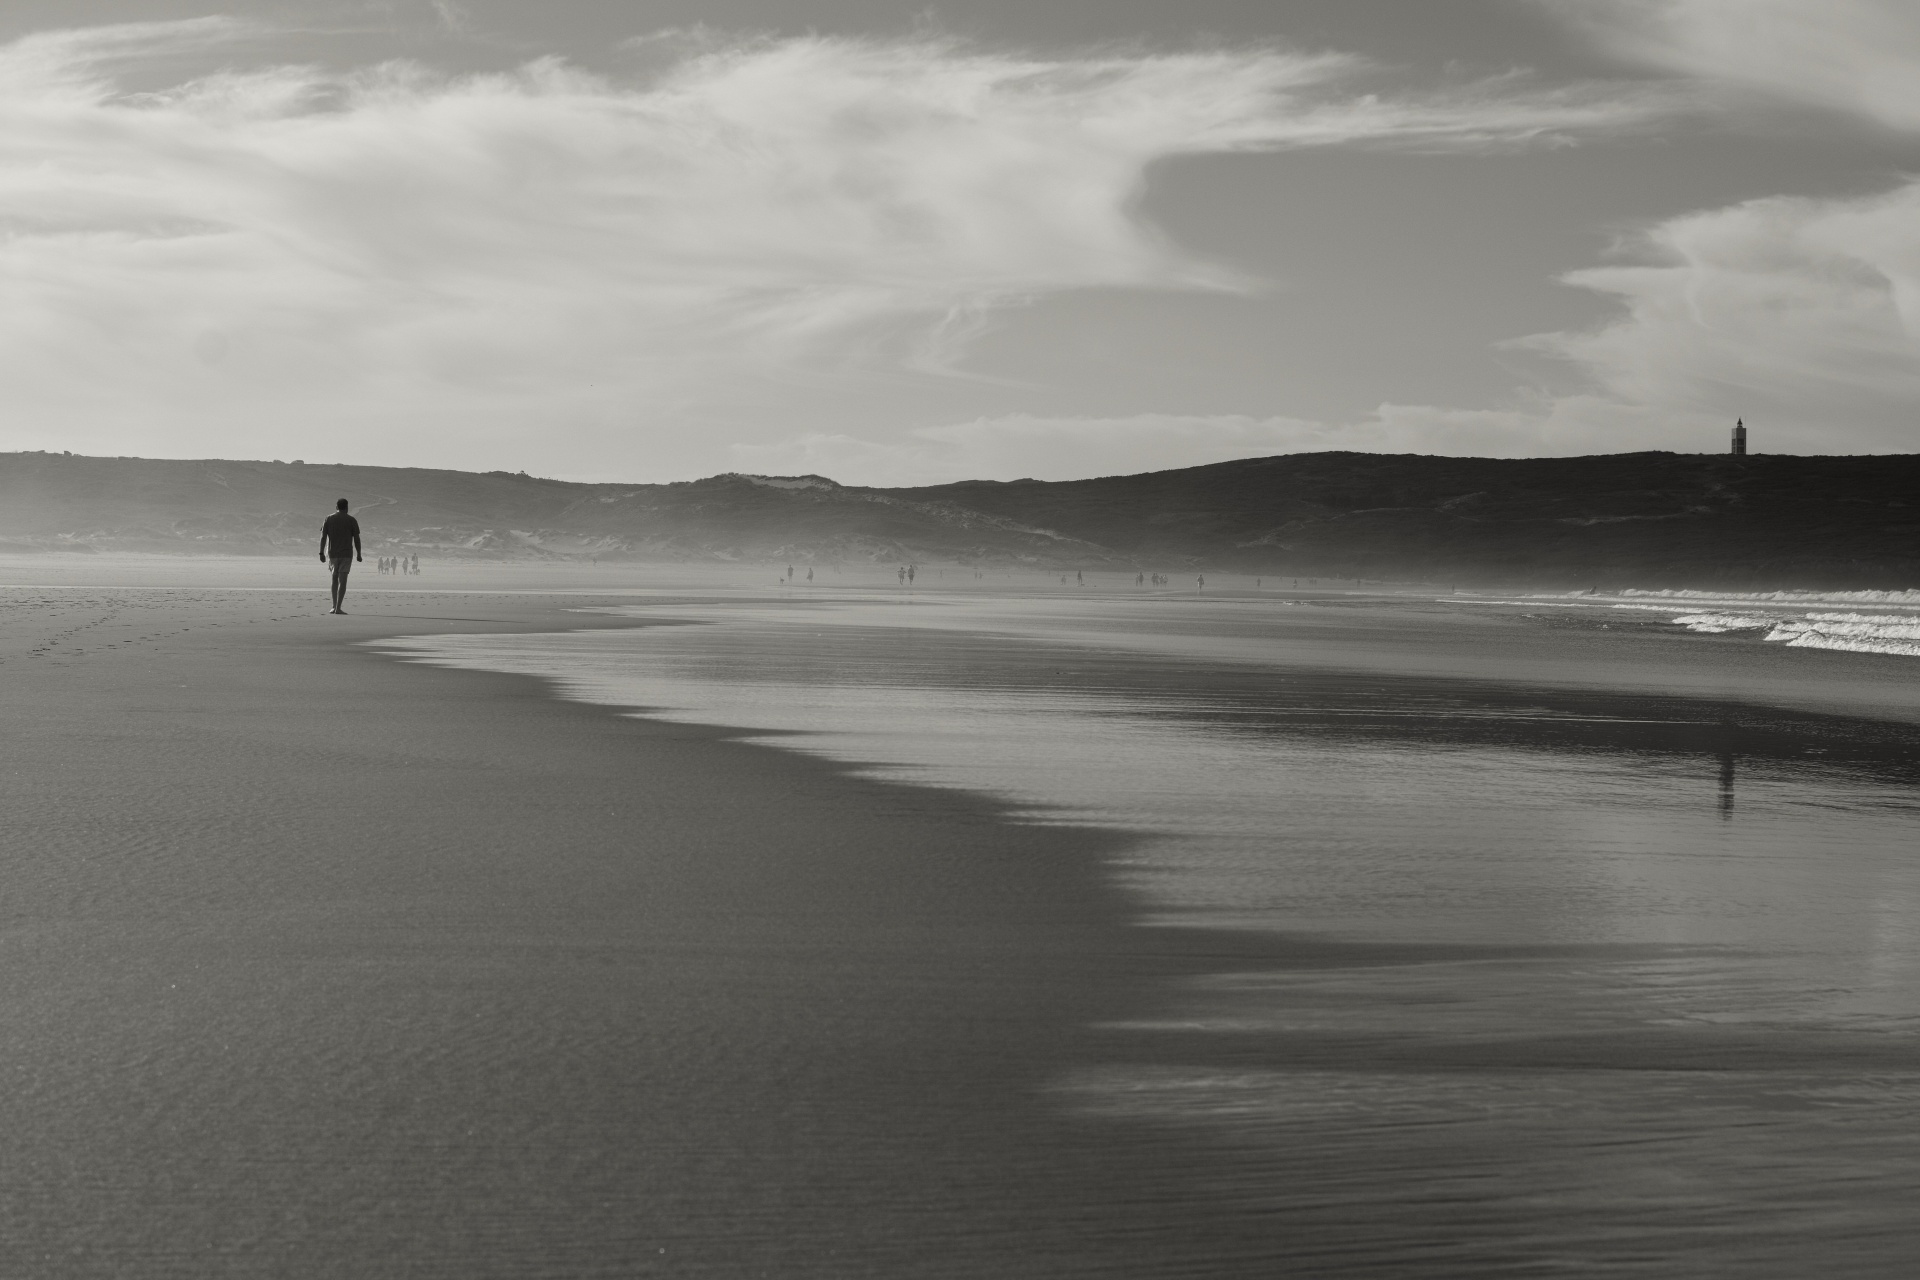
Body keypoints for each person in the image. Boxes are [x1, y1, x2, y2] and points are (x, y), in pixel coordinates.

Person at [319, 498, 362, 614]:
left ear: (336, 507)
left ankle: (333, 606)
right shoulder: (351, 520)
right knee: (343, 580)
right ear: (347, 507)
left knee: (334, 578)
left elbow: (323, 537)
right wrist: (359, 553)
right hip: (346, 554)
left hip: (332, 553)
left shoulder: (329, 519)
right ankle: (338, 607)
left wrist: (321, 552)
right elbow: (357, 539)